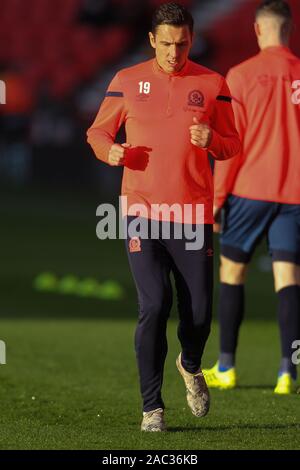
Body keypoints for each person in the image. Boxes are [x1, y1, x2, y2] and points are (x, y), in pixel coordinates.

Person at [87, 2, 240, 431]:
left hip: (191, 215)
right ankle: (151, 407)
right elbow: (97, 132)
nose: (175, 53)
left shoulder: (212, 83)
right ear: (152, 40)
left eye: (183, 43)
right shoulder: (127, 80)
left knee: (198, 314)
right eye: (168, 44)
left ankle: (190, 364)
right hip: (140, 211)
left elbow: (232, 143)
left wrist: (213, 139)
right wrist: (110, 151)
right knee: (153, 305)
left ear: (192, 39)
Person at [203, 0, 300, 395]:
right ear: (289, 31)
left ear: (258, 30)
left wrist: (216, 199)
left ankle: (226, 367)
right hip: (294, 194)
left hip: (248, 191)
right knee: (289, 280)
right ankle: (287, 372)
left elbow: (230, 144)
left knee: (231, 274)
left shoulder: (240, 76)